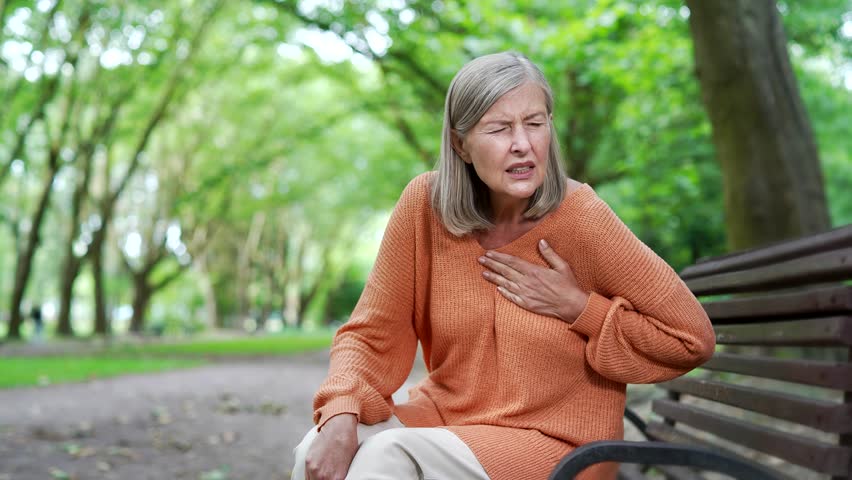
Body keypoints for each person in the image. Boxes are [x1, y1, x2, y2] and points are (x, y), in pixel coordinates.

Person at [291, 51, 715, 480]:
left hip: (557, 442)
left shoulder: (581, 217)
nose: (523, 144)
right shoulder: (424, 206)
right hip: (447, 420)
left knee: (390, 455)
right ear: (461, 144)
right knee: (318, 444)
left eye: (535, 123)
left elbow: (690, 339)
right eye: (499, 128)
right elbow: (370, 334)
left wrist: (580, 308)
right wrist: (342, 408)